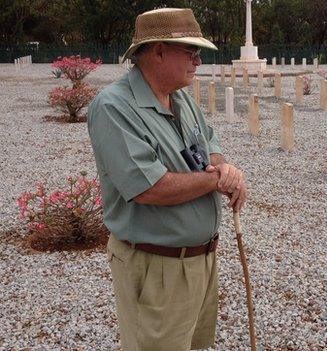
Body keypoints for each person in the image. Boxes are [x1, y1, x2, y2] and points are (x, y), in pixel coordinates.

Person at [86, 8, 248, 351]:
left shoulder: (182, 99)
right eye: (190, 51)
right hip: (156, 266)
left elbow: (211, 146)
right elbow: (149, 188)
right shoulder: (114, 106)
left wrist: (225, 169)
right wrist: (218, 180)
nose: (197, 61)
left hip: (201, 261)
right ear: (158, 51)